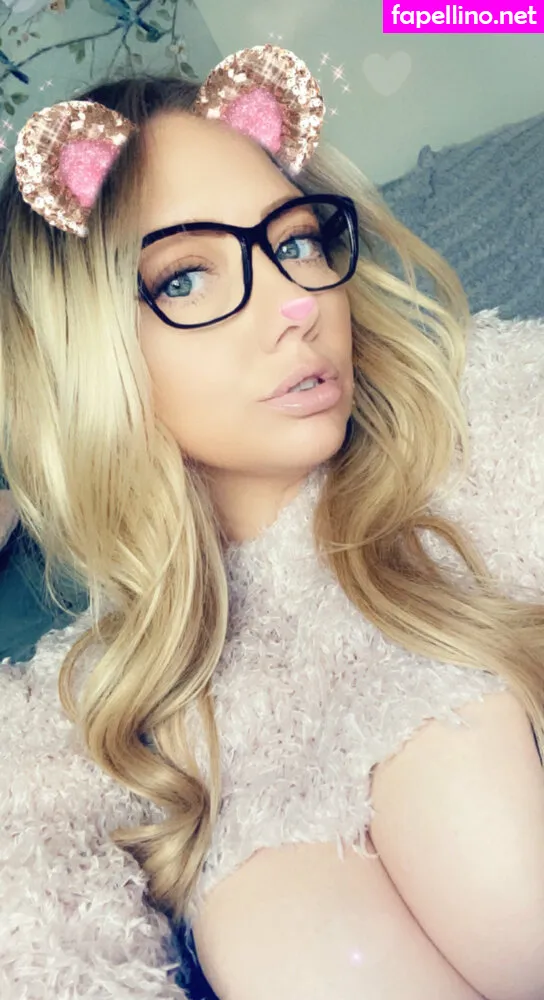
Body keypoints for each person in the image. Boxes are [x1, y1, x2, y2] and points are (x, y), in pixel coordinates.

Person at [1, 44, 543, 1000]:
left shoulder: (486, 427)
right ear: (86, 356)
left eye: (295, 243)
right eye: (185, 278)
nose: (296, 304)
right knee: (261, 898)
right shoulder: (99, 703)